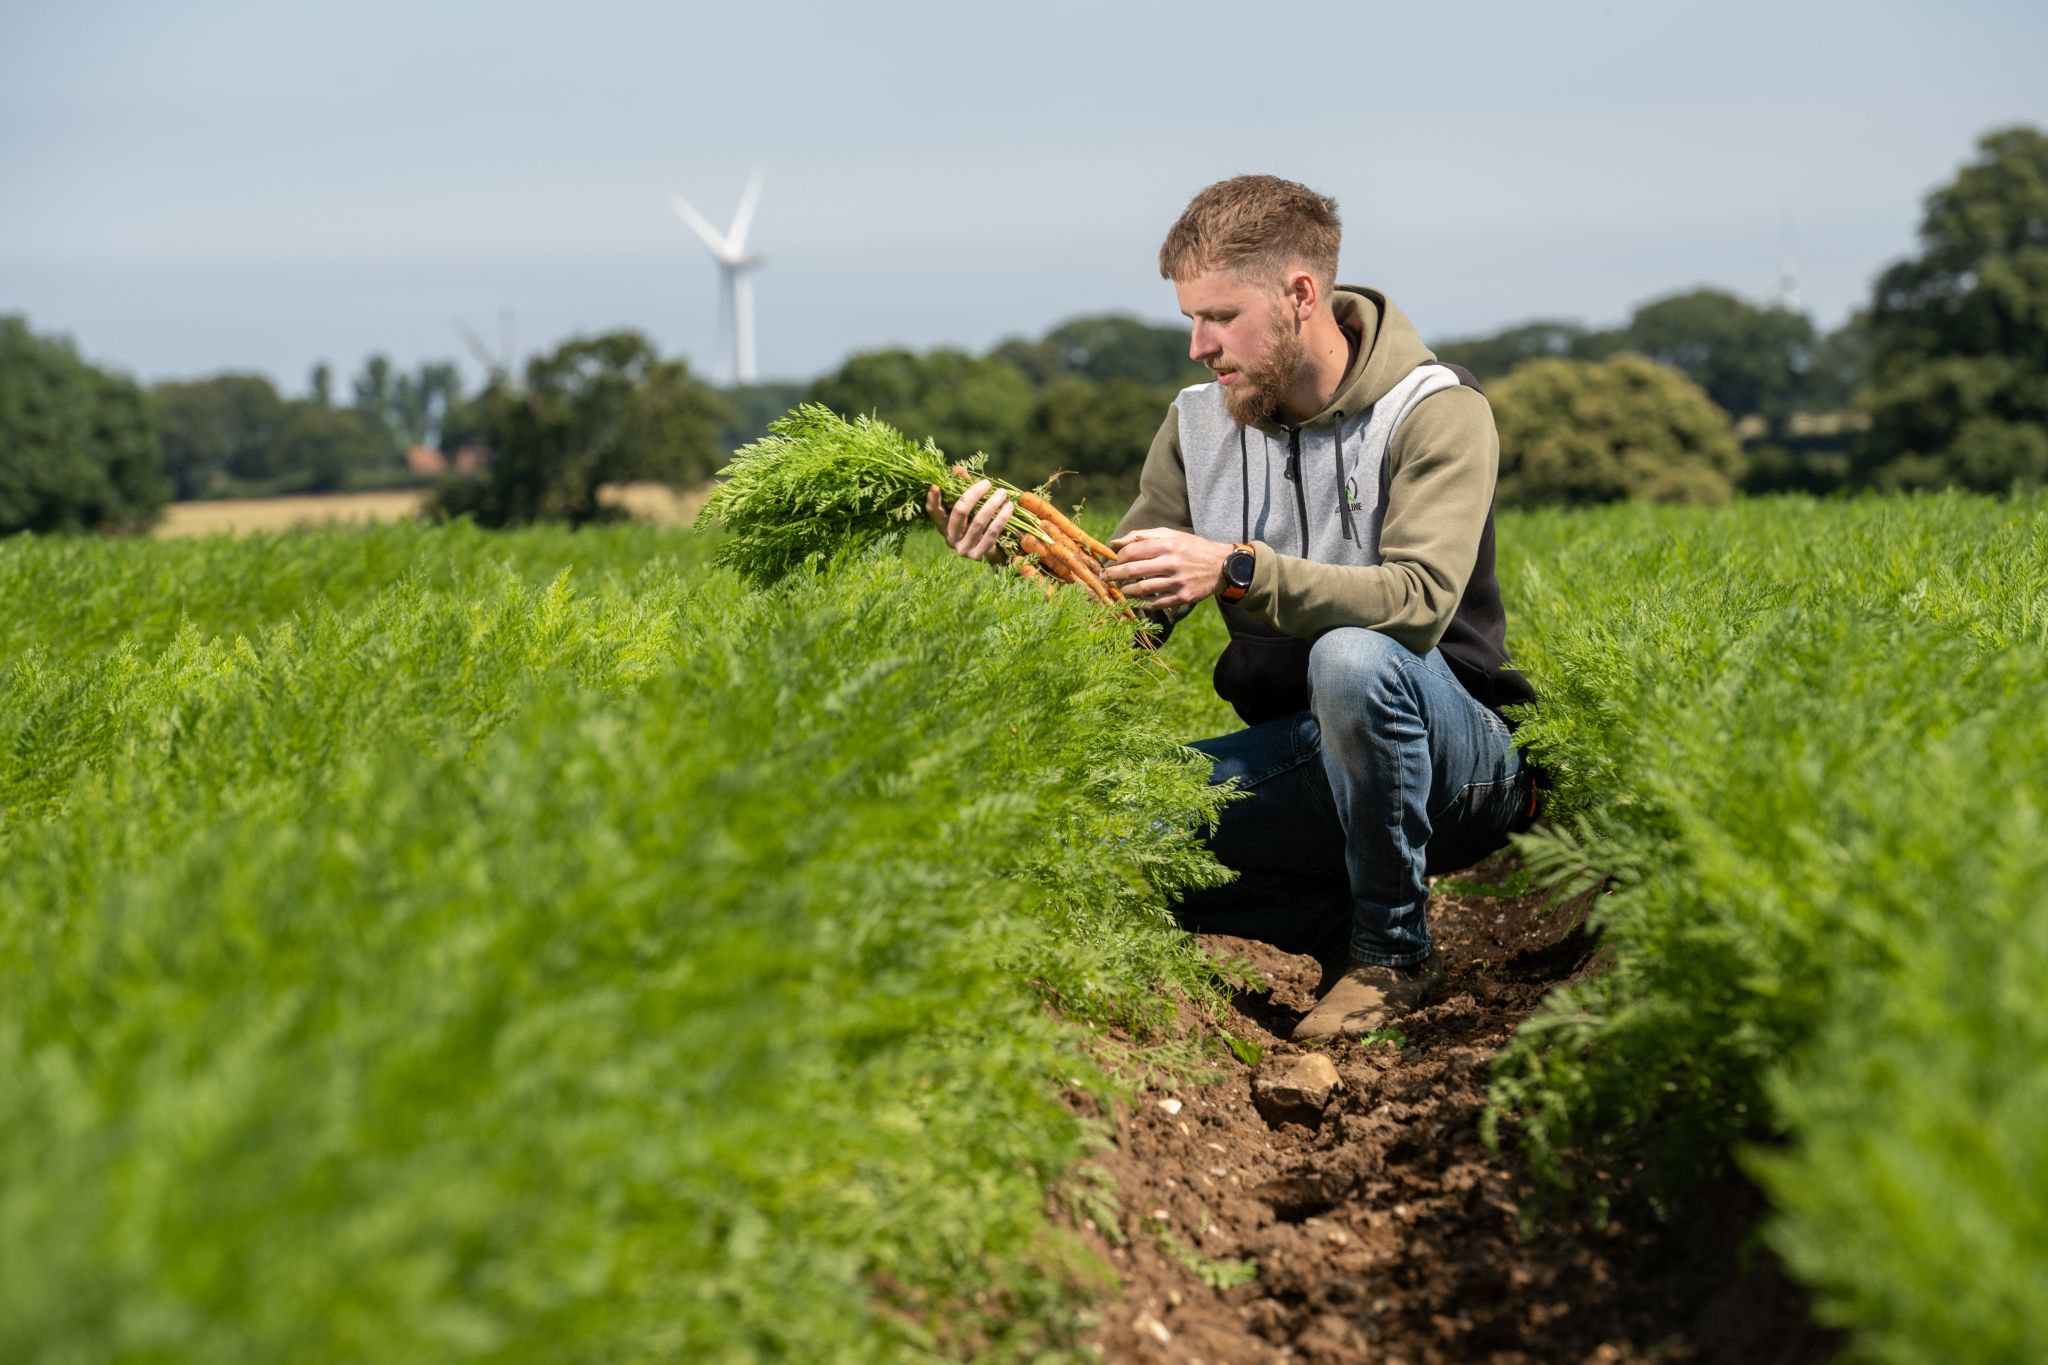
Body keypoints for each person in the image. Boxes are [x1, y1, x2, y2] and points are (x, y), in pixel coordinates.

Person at [927, 175, 1536, 1041]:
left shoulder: (1434, 409)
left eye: (1218, 317)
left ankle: (1393, 953)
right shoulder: (1196, 427)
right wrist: (1017, 553)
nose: (1198, 347)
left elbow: (1420, 602)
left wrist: (1239, 570)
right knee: (1076, 825)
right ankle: (1335, 934)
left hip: (1456, 761)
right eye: (1189, 319)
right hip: (1302, 757)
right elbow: (1121, 620)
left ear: (1299, 295)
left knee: (1352, 658)